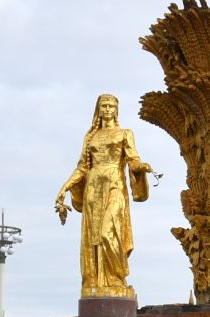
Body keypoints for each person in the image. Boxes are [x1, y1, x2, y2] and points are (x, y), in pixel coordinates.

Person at [53, 94, 152, 297]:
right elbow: (82, 167)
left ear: (117, 110)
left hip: (114, 183)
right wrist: (65, 187)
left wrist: (140, 167)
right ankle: (95, 281)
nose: (107, 109)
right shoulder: (90, 137)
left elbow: (133, 159)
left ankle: (116, 278)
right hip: (93, 187)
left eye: (111, 106)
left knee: (109, 230)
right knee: (93, 237)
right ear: (98, 109)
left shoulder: (125, 133)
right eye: (104, 106)